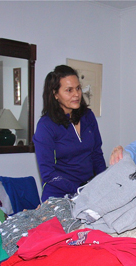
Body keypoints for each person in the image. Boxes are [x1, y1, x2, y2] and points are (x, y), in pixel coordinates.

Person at [33, 65, 106, 201]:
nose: (77, 94)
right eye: (69, 90)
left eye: (78, 88)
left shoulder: (88, 116)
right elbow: (48, 173)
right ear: (55, 94)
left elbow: (97, 155)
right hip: (59, 194)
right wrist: (78, 190)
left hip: (89, 190)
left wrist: (104, 183)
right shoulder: (46, 126)